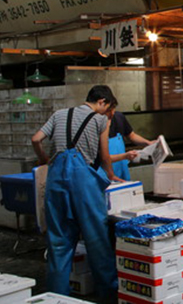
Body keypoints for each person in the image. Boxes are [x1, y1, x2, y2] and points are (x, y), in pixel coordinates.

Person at [30, 85, 120, 297]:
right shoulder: (100, 119)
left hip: (56, 180)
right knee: (96, 239)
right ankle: (107, 294)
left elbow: (36, 139)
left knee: (59, 242)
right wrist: (111, 175)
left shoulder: (59, 114)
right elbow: (105, 155)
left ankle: (56, 296)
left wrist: (43, 158)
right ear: (102, 102)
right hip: (83, 182)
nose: (106, 112)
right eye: (107, 108)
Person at [102, 108, 153, 181]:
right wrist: (125, 156)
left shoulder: (119, 117)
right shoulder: (96, 123)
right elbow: (104, 158)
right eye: (110, 110)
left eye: (113, 108)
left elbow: (131, 136)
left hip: (122, 167)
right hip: (106, 172)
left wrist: (148, 143)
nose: (112, 113)